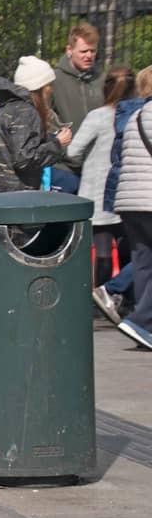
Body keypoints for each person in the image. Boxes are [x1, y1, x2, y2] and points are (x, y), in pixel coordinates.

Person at [66, 66, 135, 299]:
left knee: (103, 252)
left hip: (97, 193)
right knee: (130, 251)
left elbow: (73, 151)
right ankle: (125, 298)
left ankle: (100, 300)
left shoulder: (97, 116)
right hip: (127, 193)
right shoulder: (137, 115)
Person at [0, 55, 72, 197]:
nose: (51, 90)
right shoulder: (26, 112)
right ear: (39, 88)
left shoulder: (3, 110)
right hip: (14, 200)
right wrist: (57, 143)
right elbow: (24, 159)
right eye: (48, 85)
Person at [109, 65, 152, 350]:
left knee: (144, 263)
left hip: (131, 200)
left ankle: (143, 325)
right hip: (148, 199)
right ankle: (142, 321)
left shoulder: (134, 114)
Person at [51, 22, 105, 137]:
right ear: (69, 50)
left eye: (93, 51)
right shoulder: (54, 80)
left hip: (98, 151)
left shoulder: (101, 79)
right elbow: (45, 118)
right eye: (84, 51)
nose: (89, 56)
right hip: (67, 150)